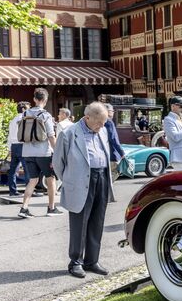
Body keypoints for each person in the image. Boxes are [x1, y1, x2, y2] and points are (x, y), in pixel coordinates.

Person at [53, 102, 113, 278]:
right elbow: (58, 163)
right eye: (99, 122)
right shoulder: (69, 133)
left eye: (104, 122)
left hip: (101, 177)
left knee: (97, 221)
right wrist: (70, 180)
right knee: (79, 223)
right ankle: (76, 262)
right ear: (87, 118)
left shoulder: (102, 130)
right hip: (79, 182)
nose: (102, 126)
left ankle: (92, 261)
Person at [18, 88, 62, 218]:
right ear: (45, 100)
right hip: (43, 153)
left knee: (33, 180)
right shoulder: (46, 115)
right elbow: (51, 136)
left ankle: (24, 208)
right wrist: (57, 151)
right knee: (51, 179)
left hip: (27, 152)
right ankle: (51, 208)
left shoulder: (25, 114)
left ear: (34, 99)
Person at [7, 101, 30, 197]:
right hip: (22, 145)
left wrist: (9, 149)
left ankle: (13, 191)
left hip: (14, 146)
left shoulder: (13, 120)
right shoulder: (24, 119)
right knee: (27, 169)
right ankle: (29, 191)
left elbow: (9, 136)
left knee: (13, 170)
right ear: (24, 109)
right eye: (28, 108)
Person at [104, 103, 126, 183]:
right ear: (108, 111)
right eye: (112, 111)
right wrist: (122, 153)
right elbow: (113, 139)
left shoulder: (100, 121)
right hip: (112, 154)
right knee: (113, 175)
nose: (113, 113)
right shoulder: (109, 122)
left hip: (103, 154)